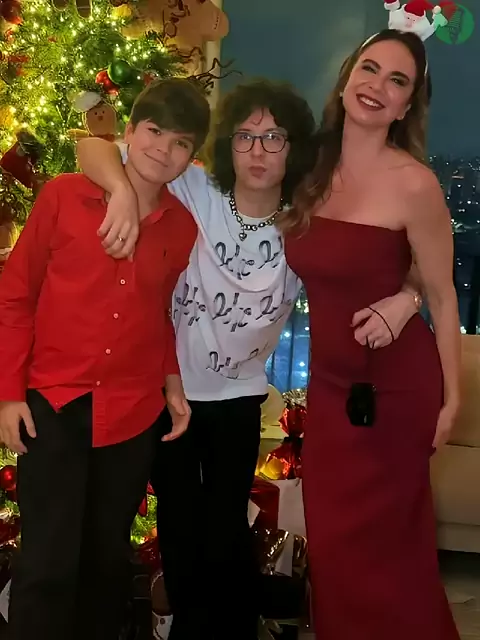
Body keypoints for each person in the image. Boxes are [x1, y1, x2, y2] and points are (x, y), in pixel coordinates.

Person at [76, 79, 423, 638]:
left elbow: (399, 248)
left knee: (224, 529)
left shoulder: (304, 225)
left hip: (238, 397)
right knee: (179, 524)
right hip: (169, 388)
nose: (258, 151)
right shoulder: (196, 188)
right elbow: (91, 148)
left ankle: (232, 627)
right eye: (245, 137)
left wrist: (408, 296)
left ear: (293, 148)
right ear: (228, 146)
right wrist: (119, 189)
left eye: (274, 137)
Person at [0, 77, 210, 640]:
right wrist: (9, 394)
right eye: (155, 131)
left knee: (105, 563)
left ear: (192, 156)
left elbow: (158, 312)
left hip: (131, 413)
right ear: (131, 131)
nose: (163, 150)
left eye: (181, 143)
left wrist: (171, 380)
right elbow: (16, 296)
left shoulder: (182, 228)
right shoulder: (63, 197)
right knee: (46, 563)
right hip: (53, 405)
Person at [279, 30, 461, 640]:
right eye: (370, 68)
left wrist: (452, 400)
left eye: (397, 80)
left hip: (397, 395)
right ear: (346, 79)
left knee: (394, 562)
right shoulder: (305, 166)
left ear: (407, 105)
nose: (378, 86)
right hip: (330, 394)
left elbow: (443, 293)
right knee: (333, 556)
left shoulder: (415, 184)